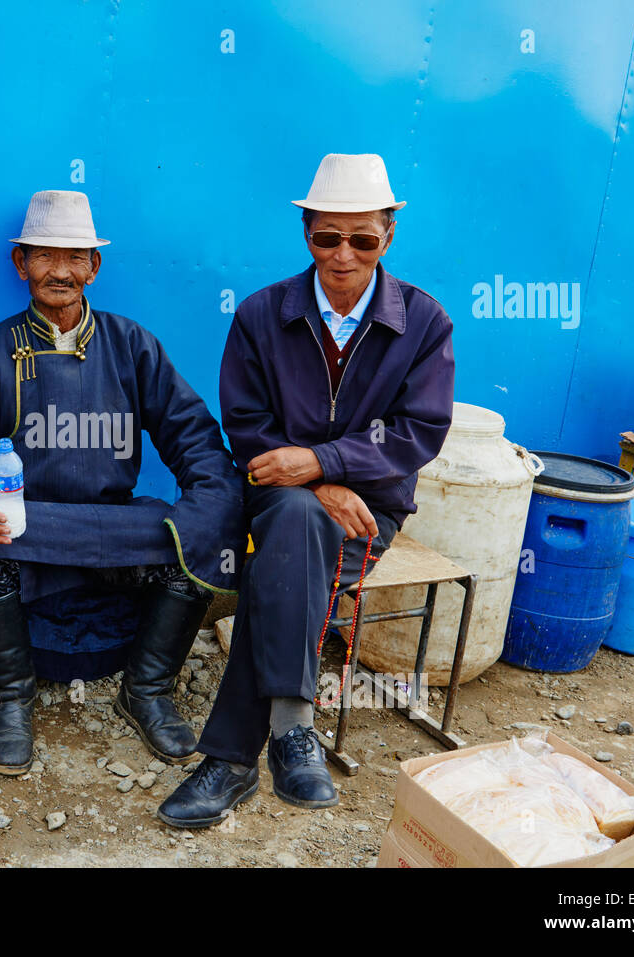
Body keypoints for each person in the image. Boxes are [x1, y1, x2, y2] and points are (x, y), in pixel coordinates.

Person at [158, 154, 455, 828]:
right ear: (306, 233)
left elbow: (419, 431)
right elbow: (246, 425)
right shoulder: (264, 314)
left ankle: (231, 761)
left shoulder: (424, 322)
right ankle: (293, 729)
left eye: (363, 239)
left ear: (389, 237)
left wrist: (319, 464)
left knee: (283, 559)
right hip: (276, 490)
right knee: (292, 519)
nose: (343, 255)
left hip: (368, 506)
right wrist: (316, 477)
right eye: (328, 237)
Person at [0, 190, 246, 775]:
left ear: (94, 268)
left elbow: (191, 433)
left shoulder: (131, 343)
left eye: (75, 258)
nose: (60, 271)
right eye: (44, 257)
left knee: (197, 534)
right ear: (21, 264)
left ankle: (146, 690)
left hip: (111, 525)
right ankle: (11, 698)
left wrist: (211, 499)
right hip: (24, 525)